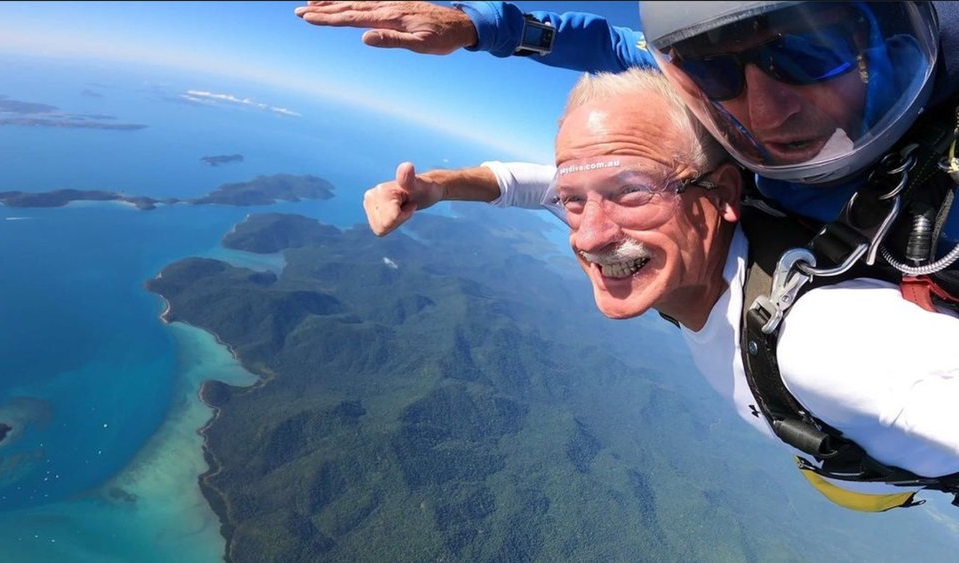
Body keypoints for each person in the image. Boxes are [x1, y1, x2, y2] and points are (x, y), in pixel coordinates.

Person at [299, 2, 959, 509]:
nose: (766, 108)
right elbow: (548, 180)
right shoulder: (670, 215)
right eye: (717, 71)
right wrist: (441, 182)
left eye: (809, 53)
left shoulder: (832, 350)